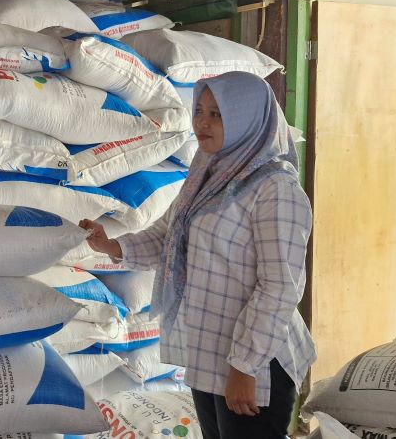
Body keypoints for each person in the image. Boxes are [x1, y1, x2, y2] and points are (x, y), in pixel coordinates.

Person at [80, 71, 315, 439]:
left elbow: (279, 288)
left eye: (217, 114)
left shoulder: (275, 189)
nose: (202, 123)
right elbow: (171, 237)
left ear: (247, 119)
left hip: (257, 361)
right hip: (209, 351)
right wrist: (113, 246)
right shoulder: (207, 171)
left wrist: (245, 366)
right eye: (200, 111)